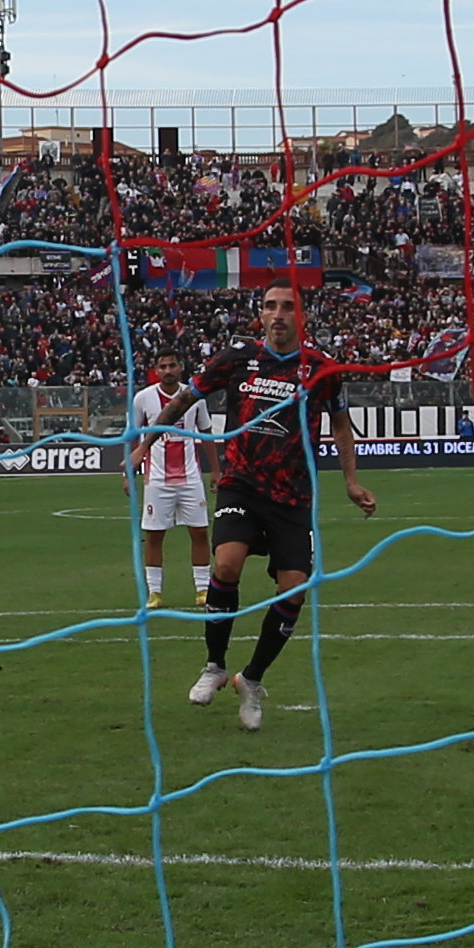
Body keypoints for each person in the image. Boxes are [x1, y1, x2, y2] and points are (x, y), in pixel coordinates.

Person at [189, 283, 377, 730]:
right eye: (270, 306)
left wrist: (350, 481)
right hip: (241, 485)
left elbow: (340, 423)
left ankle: (250, 680)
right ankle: (214, 665)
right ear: (261, 313)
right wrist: (143, 445)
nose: (278, 314)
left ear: (302, 316)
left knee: (294, 587)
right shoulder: (237, 359)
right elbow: (186, 397)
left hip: (293, 495)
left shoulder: (322, 369)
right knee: (227, 564)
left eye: (288, 307)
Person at [126, 348, 213, 610]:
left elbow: (206, 433)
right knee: (154, 536)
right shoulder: (143, 398)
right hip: (157, 480)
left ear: (180, 367)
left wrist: (217, 471)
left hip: (191, 479)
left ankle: (203, 590)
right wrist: (128, 473)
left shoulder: (195, 396)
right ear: (156, 369)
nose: (167, 371)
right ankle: (155, 593)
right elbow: (133, 436)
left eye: (172, 365)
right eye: (162, 366)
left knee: (199, 533)